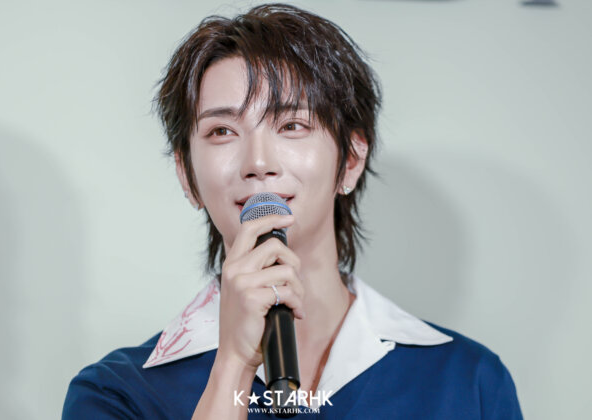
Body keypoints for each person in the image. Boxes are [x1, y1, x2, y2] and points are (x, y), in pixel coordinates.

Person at [62, 4, 523, 419]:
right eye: (222, 131)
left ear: (351, 160)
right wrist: (233, 366)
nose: (258, 162)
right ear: (187, 175)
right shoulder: (117, 394)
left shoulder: (468, 382)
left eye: (292, 125)